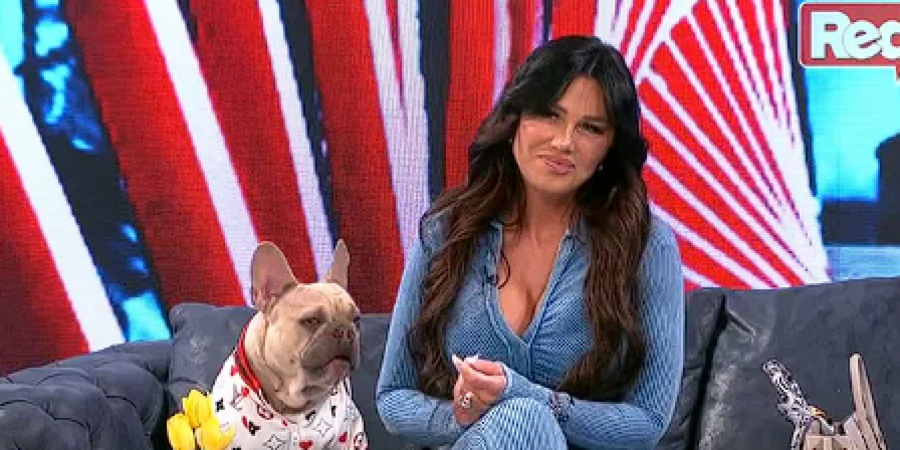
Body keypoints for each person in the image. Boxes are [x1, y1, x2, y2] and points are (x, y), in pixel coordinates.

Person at [375, 35, 684, 449]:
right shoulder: (447, 232)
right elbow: (393, 398)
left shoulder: (646, 245)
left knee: (527, 418)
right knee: (522, 420)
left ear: (610, 147)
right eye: (549, 115)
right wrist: (459, 415)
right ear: (515, 119)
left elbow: (647, 421)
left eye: (590, 128)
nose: (564, 141)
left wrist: (525, 397)